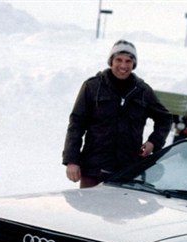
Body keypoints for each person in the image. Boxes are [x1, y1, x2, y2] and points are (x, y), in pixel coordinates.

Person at [62, 40, 172, 188]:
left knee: (121, 211)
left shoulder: (143, 91)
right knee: (88, 210)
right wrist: (72, 160)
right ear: (111, 61)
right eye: (118, 60)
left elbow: (165, 118)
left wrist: (153, 142)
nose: (123, 66)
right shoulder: (93, 86)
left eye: (128, 61)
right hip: (94, 169)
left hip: (126, 171)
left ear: (134, 64)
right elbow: (76, 124)